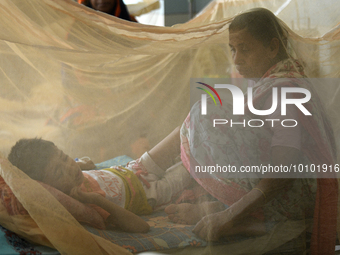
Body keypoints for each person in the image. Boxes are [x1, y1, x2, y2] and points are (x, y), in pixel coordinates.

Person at [137, 8, 336, 253]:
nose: (237, 59)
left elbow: (284, 169)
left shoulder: (284, 91)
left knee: (207, 111)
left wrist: (228, 216)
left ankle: (250, 218)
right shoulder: (277, 81)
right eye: (233, 49)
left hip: (292, 199)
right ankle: (148, 178)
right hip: (291, 194)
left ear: (273, 48)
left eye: (246, 49)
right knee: (214, 109)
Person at [7, 137, 192, 233]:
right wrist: (98, 201)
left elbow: (77, 164)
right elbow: (142, 227)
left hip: (134, 168)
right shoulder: (83, 203)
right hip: (151, 193)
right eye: (58, 172)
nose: (70, 167)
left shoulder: (73, 172)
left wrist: (81, 163)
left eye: (64, 157)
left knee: (182, 134)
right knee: (196, 164)